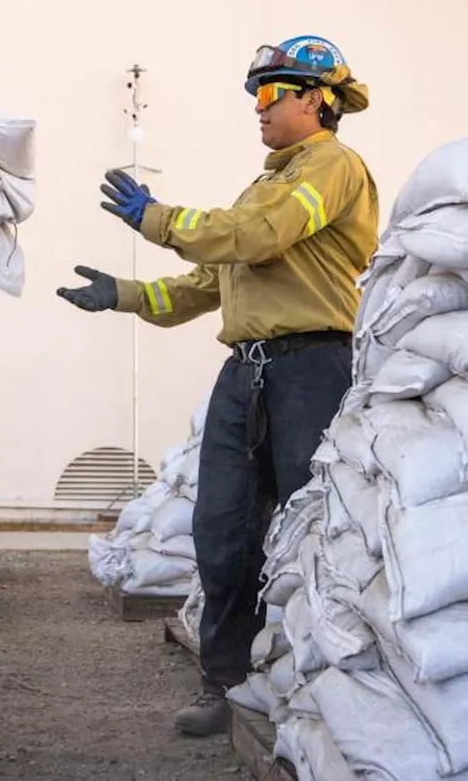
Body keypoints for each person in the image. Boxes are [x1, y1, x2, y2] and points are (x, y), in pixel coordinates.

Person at [57, 36, 378, 736]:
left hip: (311, 369)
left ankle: (315, 685)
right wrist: (127, 295)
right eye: (254, 96)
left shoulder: (331, 169)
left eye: (270, 94)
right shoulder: (267, 182)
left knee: (307, 529)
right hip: (250, 372)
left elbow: (259, 237)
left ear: (316, 100)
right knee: (224, 531)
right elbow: (217, 279)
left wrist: (158, 219)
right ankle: (226, 684)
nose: (257, 109)